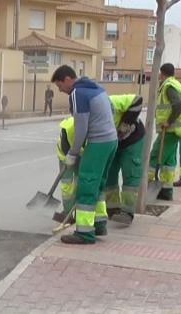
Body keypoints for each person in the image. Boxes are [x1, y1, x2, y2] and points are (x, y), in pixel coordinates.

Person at [51, 65, 118, 245]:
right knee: (99, 185)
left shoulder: (77, 93)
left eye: (59, 86)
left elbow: (81, 127)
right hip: (111, 140)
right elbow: (112, 111)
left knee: (87, 185)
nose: (61, 90)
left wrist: (73, 152)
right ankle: (99, 224)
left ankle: (84, 233)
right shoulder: (97, 88)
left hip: (98, 143)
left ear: (67, 79)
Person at [149, 63, 181, 201]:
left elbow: (177, 104)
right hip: (174, 130)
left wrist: (169, 121)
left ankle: (147, 186)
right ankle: (166, 190)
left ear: (162, 73)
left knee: (154, 156)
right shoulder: (177, 84)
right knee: (168, 162)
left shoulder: (168, 86)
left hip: (170, 129)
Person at [106, 94, 145, 225]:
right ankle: (112, 208)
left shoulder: (113, 102)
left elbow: (138, 100)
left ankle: (128, 212)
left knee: (130, 172)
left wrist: (125, 123)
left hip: (132, 139)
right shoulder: (90, 115)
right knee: (109, 172)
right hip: (113, 141)